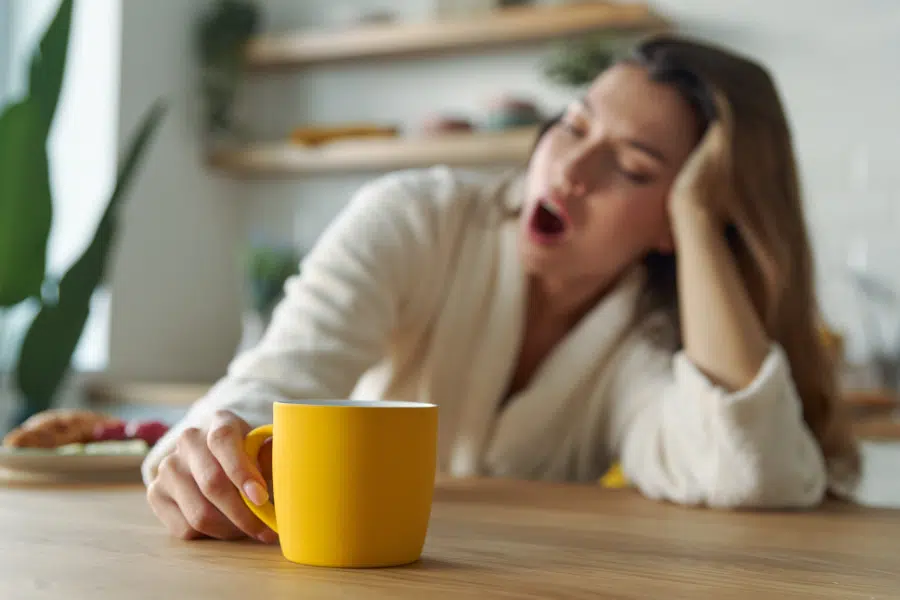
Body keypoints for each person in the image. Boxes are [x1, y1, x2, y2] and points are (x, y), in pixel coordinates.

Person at [143, 34, 861, 543]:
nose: (571, 169)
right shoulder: (418, 217)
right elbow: (277, 377)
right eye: (574, 124)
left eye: (634, 169)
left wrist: (703, 214)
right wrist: (212, 447)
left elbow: (751, 474)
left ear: (673, 222)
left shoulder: (650, 342)